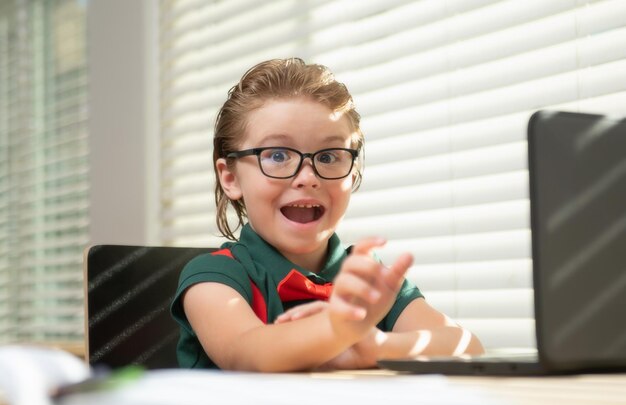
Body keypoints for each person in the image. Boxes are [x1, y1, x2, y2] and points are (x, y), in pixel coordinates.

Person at [170, 58, 484, 372]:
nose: (308, 177)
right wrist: (339, 329)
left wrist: (375, 348)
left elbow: (465, 345)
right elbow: (249, 353)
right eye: (278, 155)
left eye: (329, 156)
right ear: (231, 178)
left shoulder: (367, 279)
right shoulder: (212, 276)